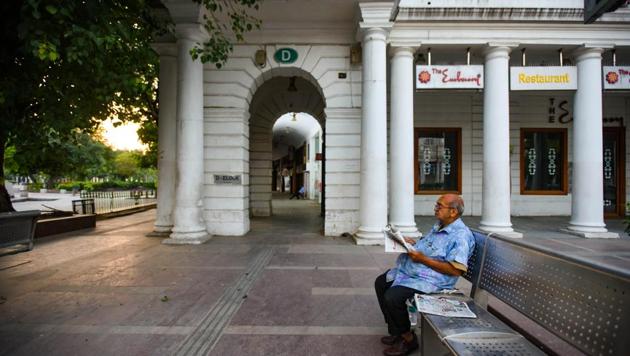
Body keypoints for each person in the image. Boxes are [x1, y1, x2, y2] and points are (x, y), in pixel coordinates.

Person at [374, 194, 474, 356]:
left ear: (453, 212)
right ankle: (397, 332)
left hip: (433, 281)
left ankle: (408, 339)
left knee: (393, 296)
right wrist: (411, 243)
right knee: (381, 282)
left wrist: (422, 258)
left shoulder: (460, 236)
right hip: (414, 273)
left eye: (439, 206)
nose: (435, 209)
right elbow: (432, 247)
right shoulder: (440, 226)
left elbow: (455, 270)